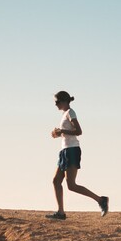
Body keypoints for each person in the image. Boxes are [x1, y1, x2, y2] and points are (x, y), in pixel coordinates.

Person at [47, 90, 108, 220]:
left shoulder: (70, 112)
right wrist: (58, 134)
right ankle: (61, 212)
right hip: (64, 150)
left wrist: (62, 130)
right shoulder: (65, 114)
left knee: (71, 185)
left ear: (64, 101)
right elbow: (69, 132)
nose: (56, 104)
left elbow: (78, 131)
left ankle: (100, 200)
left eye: (57, 102)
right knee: (56, 181)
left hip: (72, 150)